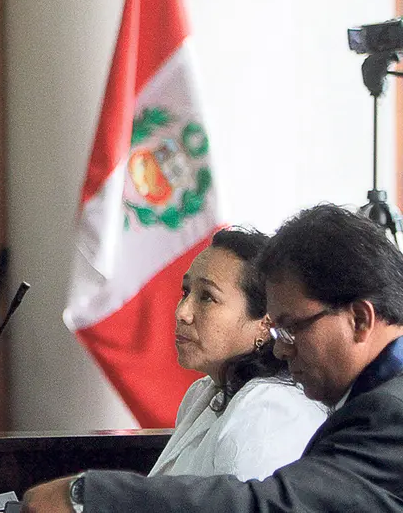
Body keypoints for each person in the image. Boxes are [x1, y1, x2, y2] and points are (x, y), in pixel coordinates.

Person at [22, 204, 403, 512]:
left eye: (290, 328)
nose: (282, 349)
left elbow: (273, 506)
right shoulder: (371, 401)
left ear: (359, 319)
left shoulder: (388, 414)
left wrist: (89, 496)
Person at [149, 227, 327, 480]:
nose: (182, 312)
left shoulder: (270, 411)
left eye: (207, 297)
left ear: (266, 322)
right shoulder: (204, 392)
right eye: (186, 292)